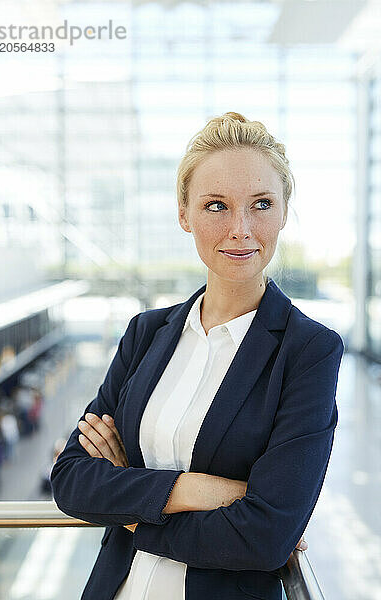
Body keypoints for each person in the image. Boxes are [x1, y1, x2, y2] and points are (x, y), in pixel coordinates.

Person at [51, 112, 343, 600]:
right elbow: (72, 478)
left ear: (284, 212)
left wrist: (129, 499)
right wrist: (189, 490)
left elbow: (265, 539)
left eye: (262, 204)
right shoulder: (146, 333)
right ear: (184, 214)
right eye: (216, 206)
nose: (241, 229)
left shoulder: (308, 351)